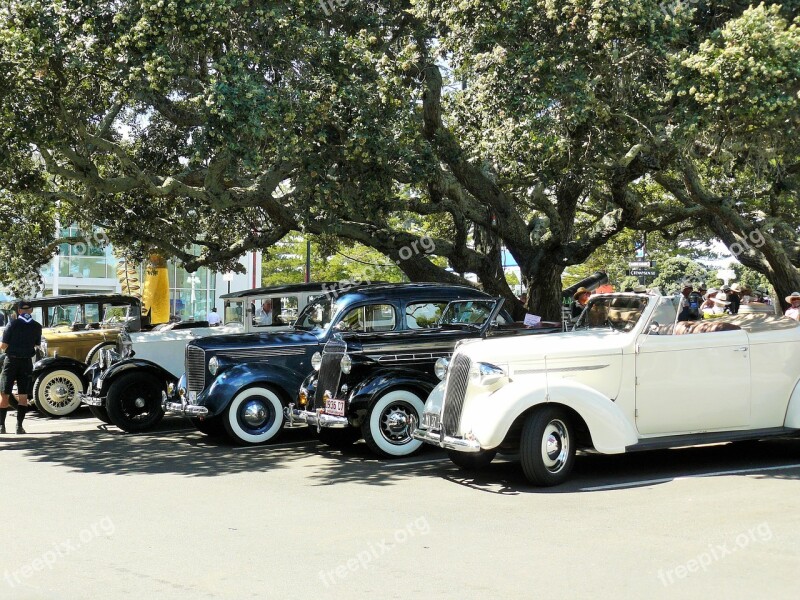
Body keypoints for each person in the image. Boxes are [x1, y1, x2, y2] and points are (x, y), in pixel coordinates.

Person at [0, 300, 43, 434]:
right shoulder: (37, 326)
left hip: (11, 361)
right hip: (26, 362)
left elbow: (3, 346)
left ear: (19, 311)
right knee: (23, 395)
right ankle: (19, 426)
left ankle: (2, 426)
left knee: (4, 394)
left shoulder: (12, 324)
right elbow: (36, 345)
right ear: (31, 311)